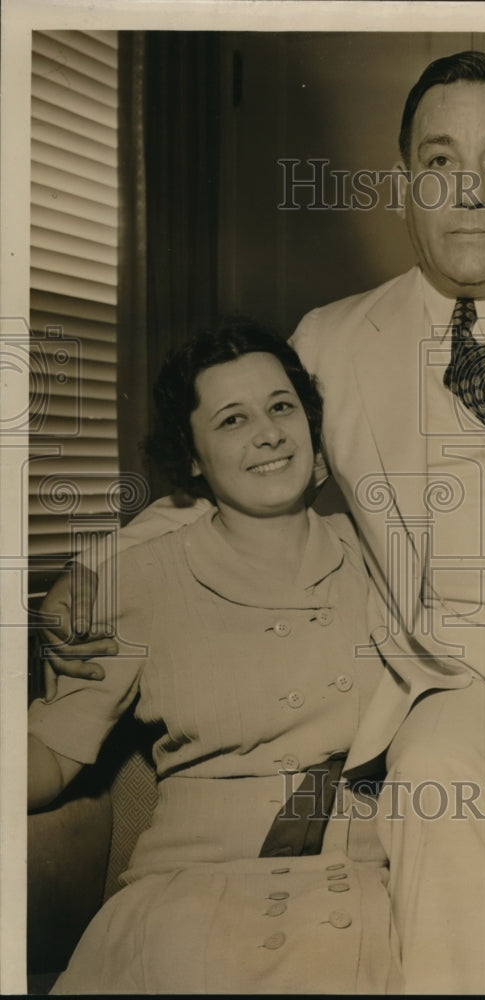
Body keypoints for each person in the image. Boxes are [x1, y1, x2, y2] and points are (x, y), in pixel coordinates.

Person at [41, 51, 485, 994]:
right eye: (441, 162)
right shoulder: (334, 338)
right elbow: (242, 480)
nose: (470, 191)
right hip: (474, 697)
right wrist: (95, 571)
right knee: (438, 774)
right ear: (406, 187)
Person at [28, 321, 397, 994]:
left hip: (357, 891)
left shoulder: (383, 557)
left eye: (281, 407)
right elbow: (52, 755)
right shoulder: (137, 582)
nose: (267, 433)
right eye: (232, 419)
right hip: (188, 902)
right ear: (193, 457)